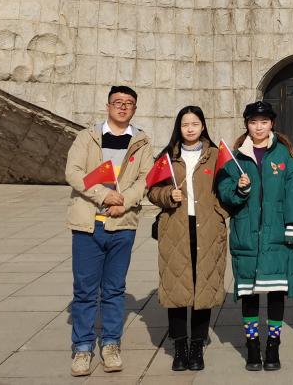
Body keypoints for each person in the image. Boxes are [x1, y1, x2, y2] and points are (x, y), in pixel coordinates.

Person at [64, 85, 154, 377]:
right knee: (85, 291)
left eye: (129, 103)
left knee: (114, 289)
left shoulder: (140, 142)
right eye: (118, 102)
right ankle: (82, 348)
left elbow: (145, 178)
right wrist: (104, 196)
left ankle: (111, 344)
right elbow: (73, 172)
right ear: (108, 106)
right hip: (89, 224)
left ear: (135, 109)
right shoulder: (87, 136)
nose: (123, 107)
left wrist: (124, 202)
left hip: (121, 224)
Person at [217, 100, 293, 372]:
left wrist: (291, 227)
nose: (259, 127)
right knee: (249, 292)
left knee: (277, 290)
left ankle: (273, 345)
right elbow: (224, 194)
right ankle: (253, 344)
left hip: (277, 234)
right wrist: (240, 188)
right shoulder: (235, 158)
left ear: (272, 124)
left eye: (264, 122)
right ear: (246, 124)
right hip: (246, 233)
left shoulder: (284, 157)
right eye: (254, 122)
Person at [146, 106, 229, 372]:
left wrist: (220, 212)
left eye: (195, 123)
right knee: (177, 288)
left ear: (203, 126)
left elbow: (229, 190)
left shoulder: (216, 156)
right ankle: (179, 345)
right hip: (175, 229)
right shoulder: (168, 157)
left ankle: (197, 345)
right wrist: (168, 195)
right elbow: (152, 191)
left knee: (203, 287)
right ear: (178, 128)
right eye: (185, 124)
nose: (190, 128)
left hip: (208, 228)